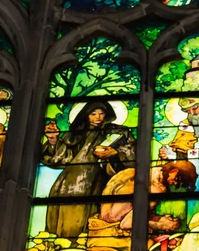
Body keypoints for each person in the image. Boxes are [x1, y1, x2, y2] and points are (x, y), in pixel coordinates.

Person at [41, 101, 136, 239]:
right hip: (69, 180)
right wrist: (53, 140)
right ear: (86, 115)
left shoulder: (118, 132)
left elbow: (134, 155)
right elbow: (60, 158)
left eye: (101, 113)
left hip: (100, 178)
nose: (98, 117)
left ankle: (83, 240)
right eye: (93, 114)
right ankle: (60, 242)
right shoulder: (75, 134)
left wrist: (115, 153)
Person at [86, 161, 197, 250]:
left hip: (99, 224)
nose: (177, 185)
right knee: (150, 244)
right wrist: (160, 225)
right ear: (173, 171)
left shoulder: (140, 172)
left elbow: (135, 212)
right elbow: (126, 224)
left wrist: (160, 219)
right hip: (111, 231)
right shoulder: (156, 189)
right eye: (178, 180)